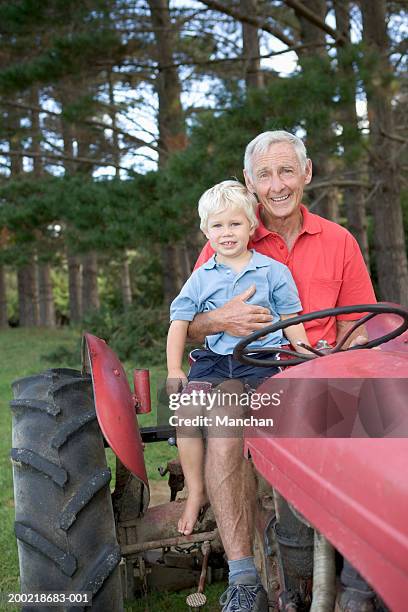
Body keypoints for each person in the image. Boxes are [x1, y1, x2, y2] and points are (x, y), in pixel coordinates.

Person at [186, 131, 376, 612]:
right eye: (265, 174)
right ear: (249, 181)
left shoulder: (339, 240)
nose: (277, 184)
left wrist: (342, 351)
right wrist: (218, 320)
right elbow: (189, 327)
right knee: (226, 427)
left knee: (385, 415)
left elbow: (359, 321)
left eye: (287, 171)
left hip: (320, 372)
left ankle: (364, 563)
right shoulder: (228, 238)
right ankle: (244, 576)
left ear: (306, 174)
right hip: (246, 373)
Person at [167, 180, 312, 538]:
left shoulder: (273, 272)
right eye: (217, 225)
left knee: (274, 412)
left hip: (259, 360)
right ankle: (196, 491)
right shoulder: (200, 278)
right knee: (185, 412)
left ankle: (287, 501)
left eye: (234, 224)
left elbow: (292, 321)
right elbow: (179, 323)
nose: (226, 233)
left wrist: (307, 356)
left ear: (251, 227)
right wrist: (173, 369)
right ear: (205, 231)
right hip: (215, 361)